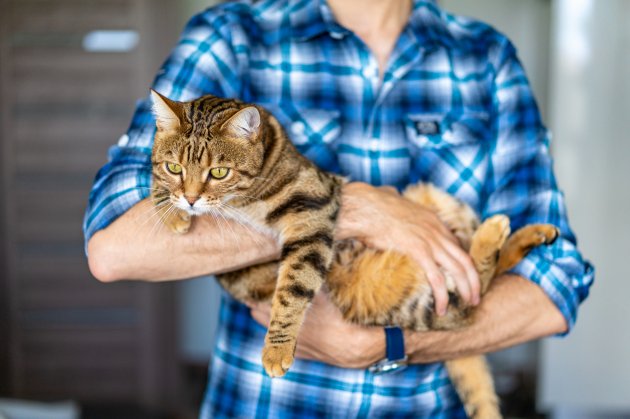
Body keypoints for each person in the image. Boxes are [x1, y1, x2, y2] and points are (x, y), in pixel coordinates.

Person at [84, 0, 594, 417]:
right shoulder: (231, 34)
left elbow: (555, 283)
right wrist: (351, 207)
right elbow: (113, 248)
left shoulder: (487, 58)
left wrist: (395, 345)